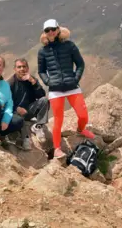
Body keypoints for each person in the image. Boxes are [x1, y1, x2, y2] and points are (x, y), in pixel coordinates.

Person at [37, 19, 94, 158]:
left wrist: (75, 79)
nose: (50, 32)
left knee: (83, 115)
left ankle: (81, 129)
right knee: (58, 120)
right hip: (55, 90)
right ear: (45, 33)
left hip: (72, 86)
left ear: (57, 30)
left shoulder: (70, 45)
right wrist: (48, 81)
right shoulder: (43, 51)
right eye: (47, 30)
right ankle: (57, 148)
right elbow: (41, 71)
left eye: (53, 29)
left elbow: (80, 64)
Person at [7, 58, 50, 148]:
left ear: (28, 68)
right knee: (26, 143)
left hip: (29, 110)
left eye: (24, 66)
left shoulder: (32, 79)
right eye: (19, 67)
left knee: (45, 100)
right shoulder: (10, 83)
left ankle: (38, 126)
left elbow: (41, 95)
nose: (22, 69)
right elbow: (5, 102)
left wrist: (33, 82)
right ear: (15, 69)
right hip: (16, 113)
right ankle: (20, 137)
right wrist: (16, 108)